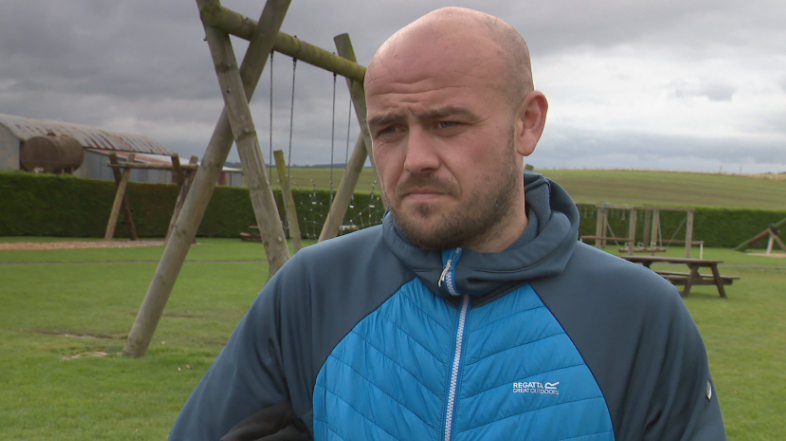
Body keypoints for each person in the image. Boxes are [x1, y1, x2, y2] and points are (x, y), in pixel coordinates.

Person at [170, 7, 726, 441]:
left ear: (526, 124)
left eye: (447, 123)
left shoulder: (637, 315)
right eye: (389, 130)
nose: (415, 159)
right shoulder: (312, 290)